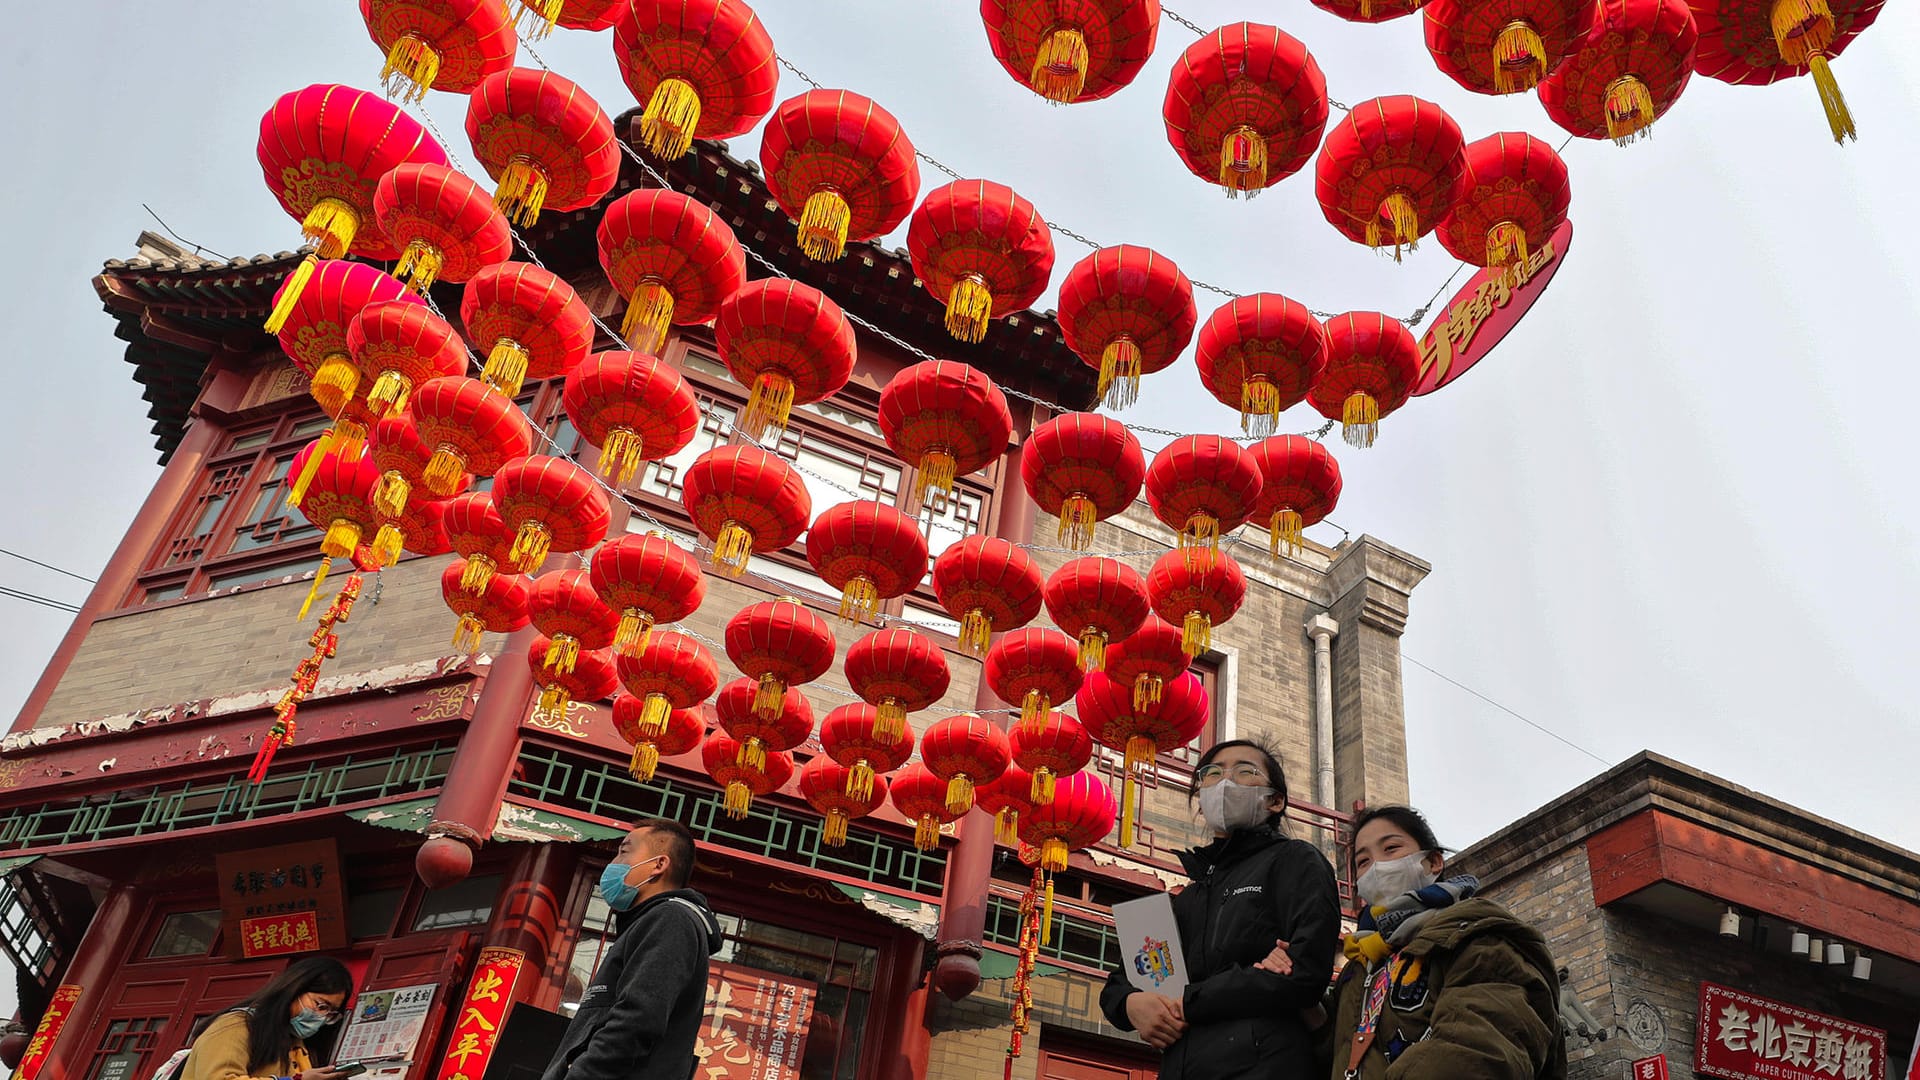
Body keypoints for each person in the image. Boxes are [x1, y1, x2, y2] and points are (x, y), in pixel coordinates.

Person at [1256, 805, 1564, 1080]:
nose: (1377, 866)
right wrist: (1302, 997)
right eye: (1363, 862)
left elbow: (1482, 1052)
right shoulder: (1361, 966)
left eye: (1391, 848)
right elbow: (1339, 1056)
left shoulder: (1478, 936)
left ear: (1432, 862)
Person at [1099, 739, 1341, 1079]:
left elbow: (1304, 973)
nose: (1225, 781)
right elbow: (1121, 982)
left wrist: (1186, 1001)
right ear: (1200, 800)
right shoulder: (1185, 899)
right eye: (1211, 773)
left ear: (1275, 800)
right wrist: (1130, 1004)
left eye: (1245, 771)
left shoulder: (1296, 861)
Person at [543, 817, 723, 1080]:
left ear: (659, 864)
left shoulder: (671, 918)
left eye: (624, 851)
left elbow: (637, 1019)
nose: (613, 864)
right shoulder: (652, 921)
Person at [177, 956, 352, 1080]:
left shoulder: (295, 1043)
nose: (321, 1017)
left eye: (330, 1013)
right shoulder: (237, 1025)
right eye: (320, 1005)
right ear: (293, 989)